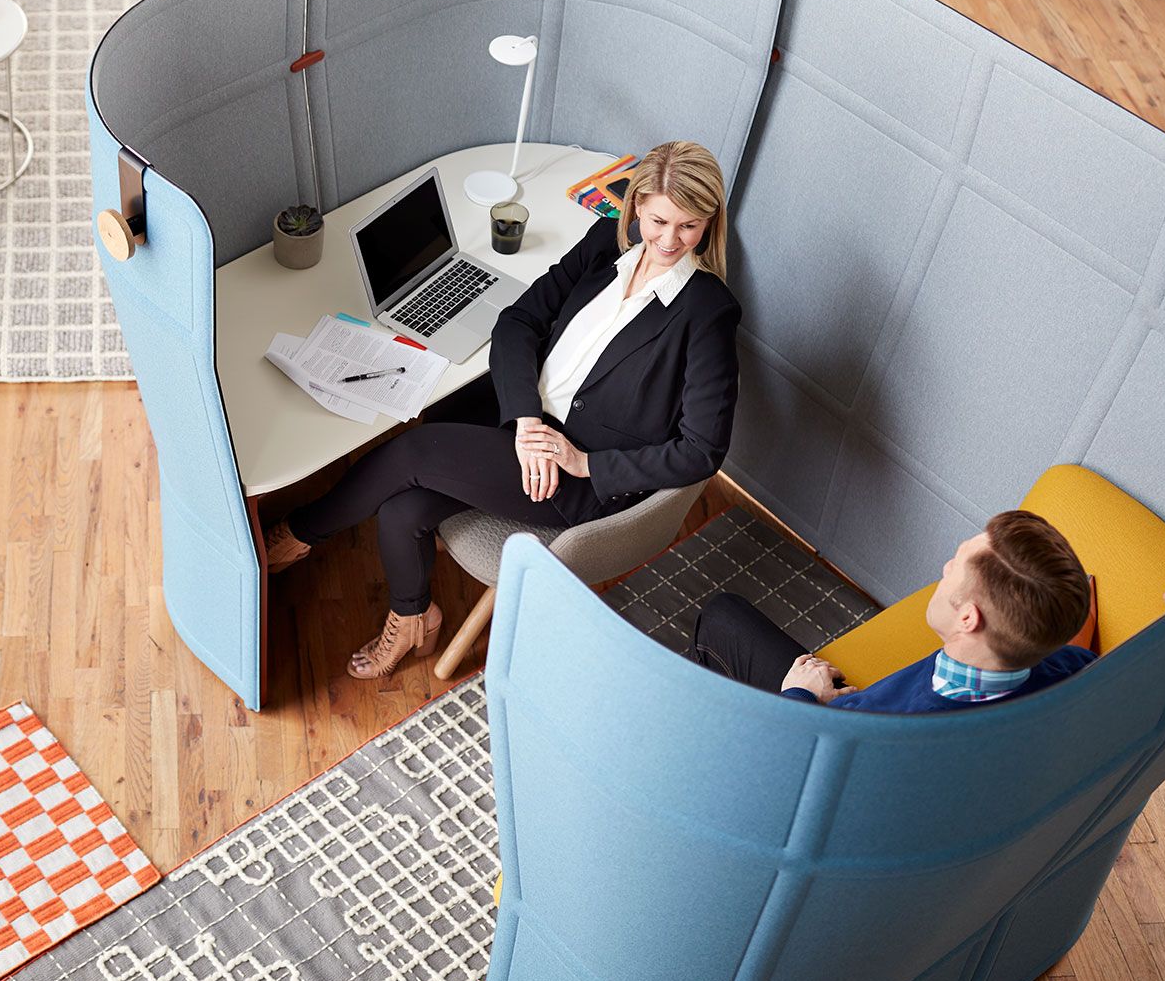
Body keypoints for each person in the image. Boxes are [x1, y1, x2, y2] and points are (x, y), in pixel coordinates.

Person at [265, 141, 741, 680]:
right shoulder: (605, 242)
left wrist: (585, 463)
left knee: (414, 450)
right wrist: (525, 420)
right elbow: (517, 323)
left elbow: (703, 449)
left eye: (689, 227)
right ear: (635, 206)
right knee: (402, 511)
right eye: (658, 221)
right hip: (523, 423)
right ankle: (414, 617)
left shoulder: (707, 313)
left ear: (709, 223)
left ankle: (298, 534)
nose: (669, 240)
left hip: (576, 475)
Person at [690, 510, 1099, 712]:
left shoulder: (876, 725)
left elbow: (780, 766)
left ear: (968, 619)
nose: (946, 567)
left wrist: (799, 695)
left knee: (722, 616)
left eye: (957, 564)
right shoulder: (1073, 668)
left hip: (816, 727)